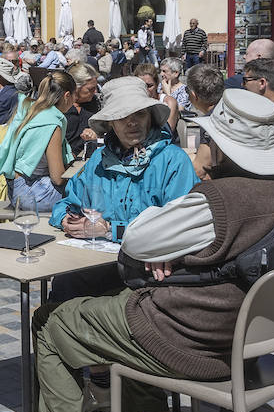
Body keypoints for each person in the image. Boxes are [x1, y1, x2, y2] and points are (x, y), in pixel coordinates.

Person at [24, 88, 274, 412]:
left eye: (208, 140)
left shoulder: (215, 201)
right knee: (110, 305)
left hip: (192, 340)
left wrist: (195, 188)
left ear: (218, 148)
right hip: (248, 340)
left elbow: (141, 239)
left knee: (52, 322)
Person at [50, 76, 196, 301]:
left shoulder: (173, 161)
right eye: (122, 117)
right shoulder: (98, 160)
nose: (132, 122)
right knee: (61, 288)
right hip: (98, 262)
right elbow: (66, 204)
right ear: (110, 123)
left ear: (150, 117)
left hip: (148, 272)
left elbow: (180, 226)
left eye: (139, 114)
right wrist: (67, 221)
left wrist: (109, 229)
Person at [0, 70, 77, 211]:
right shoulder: (52, 123)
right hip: (32, 192)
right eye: (75, 95)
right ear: (67, 96)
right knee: (87, 194)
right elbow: (58, 178)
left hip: (15, 187)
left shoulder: (33, 109)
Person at [62, 62, 101, 157]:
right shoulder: (61, 108)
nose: (95, 91)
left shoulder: (94, 103)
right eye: (90, 89)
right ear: (76, 88)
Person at [134, 62, 179, 133]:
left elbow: (167, 133)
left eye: (149, 86)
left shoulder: (168, 102)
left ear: (157, 84)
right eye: (141, 86)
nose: (146, 90)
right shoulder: (132, 103)